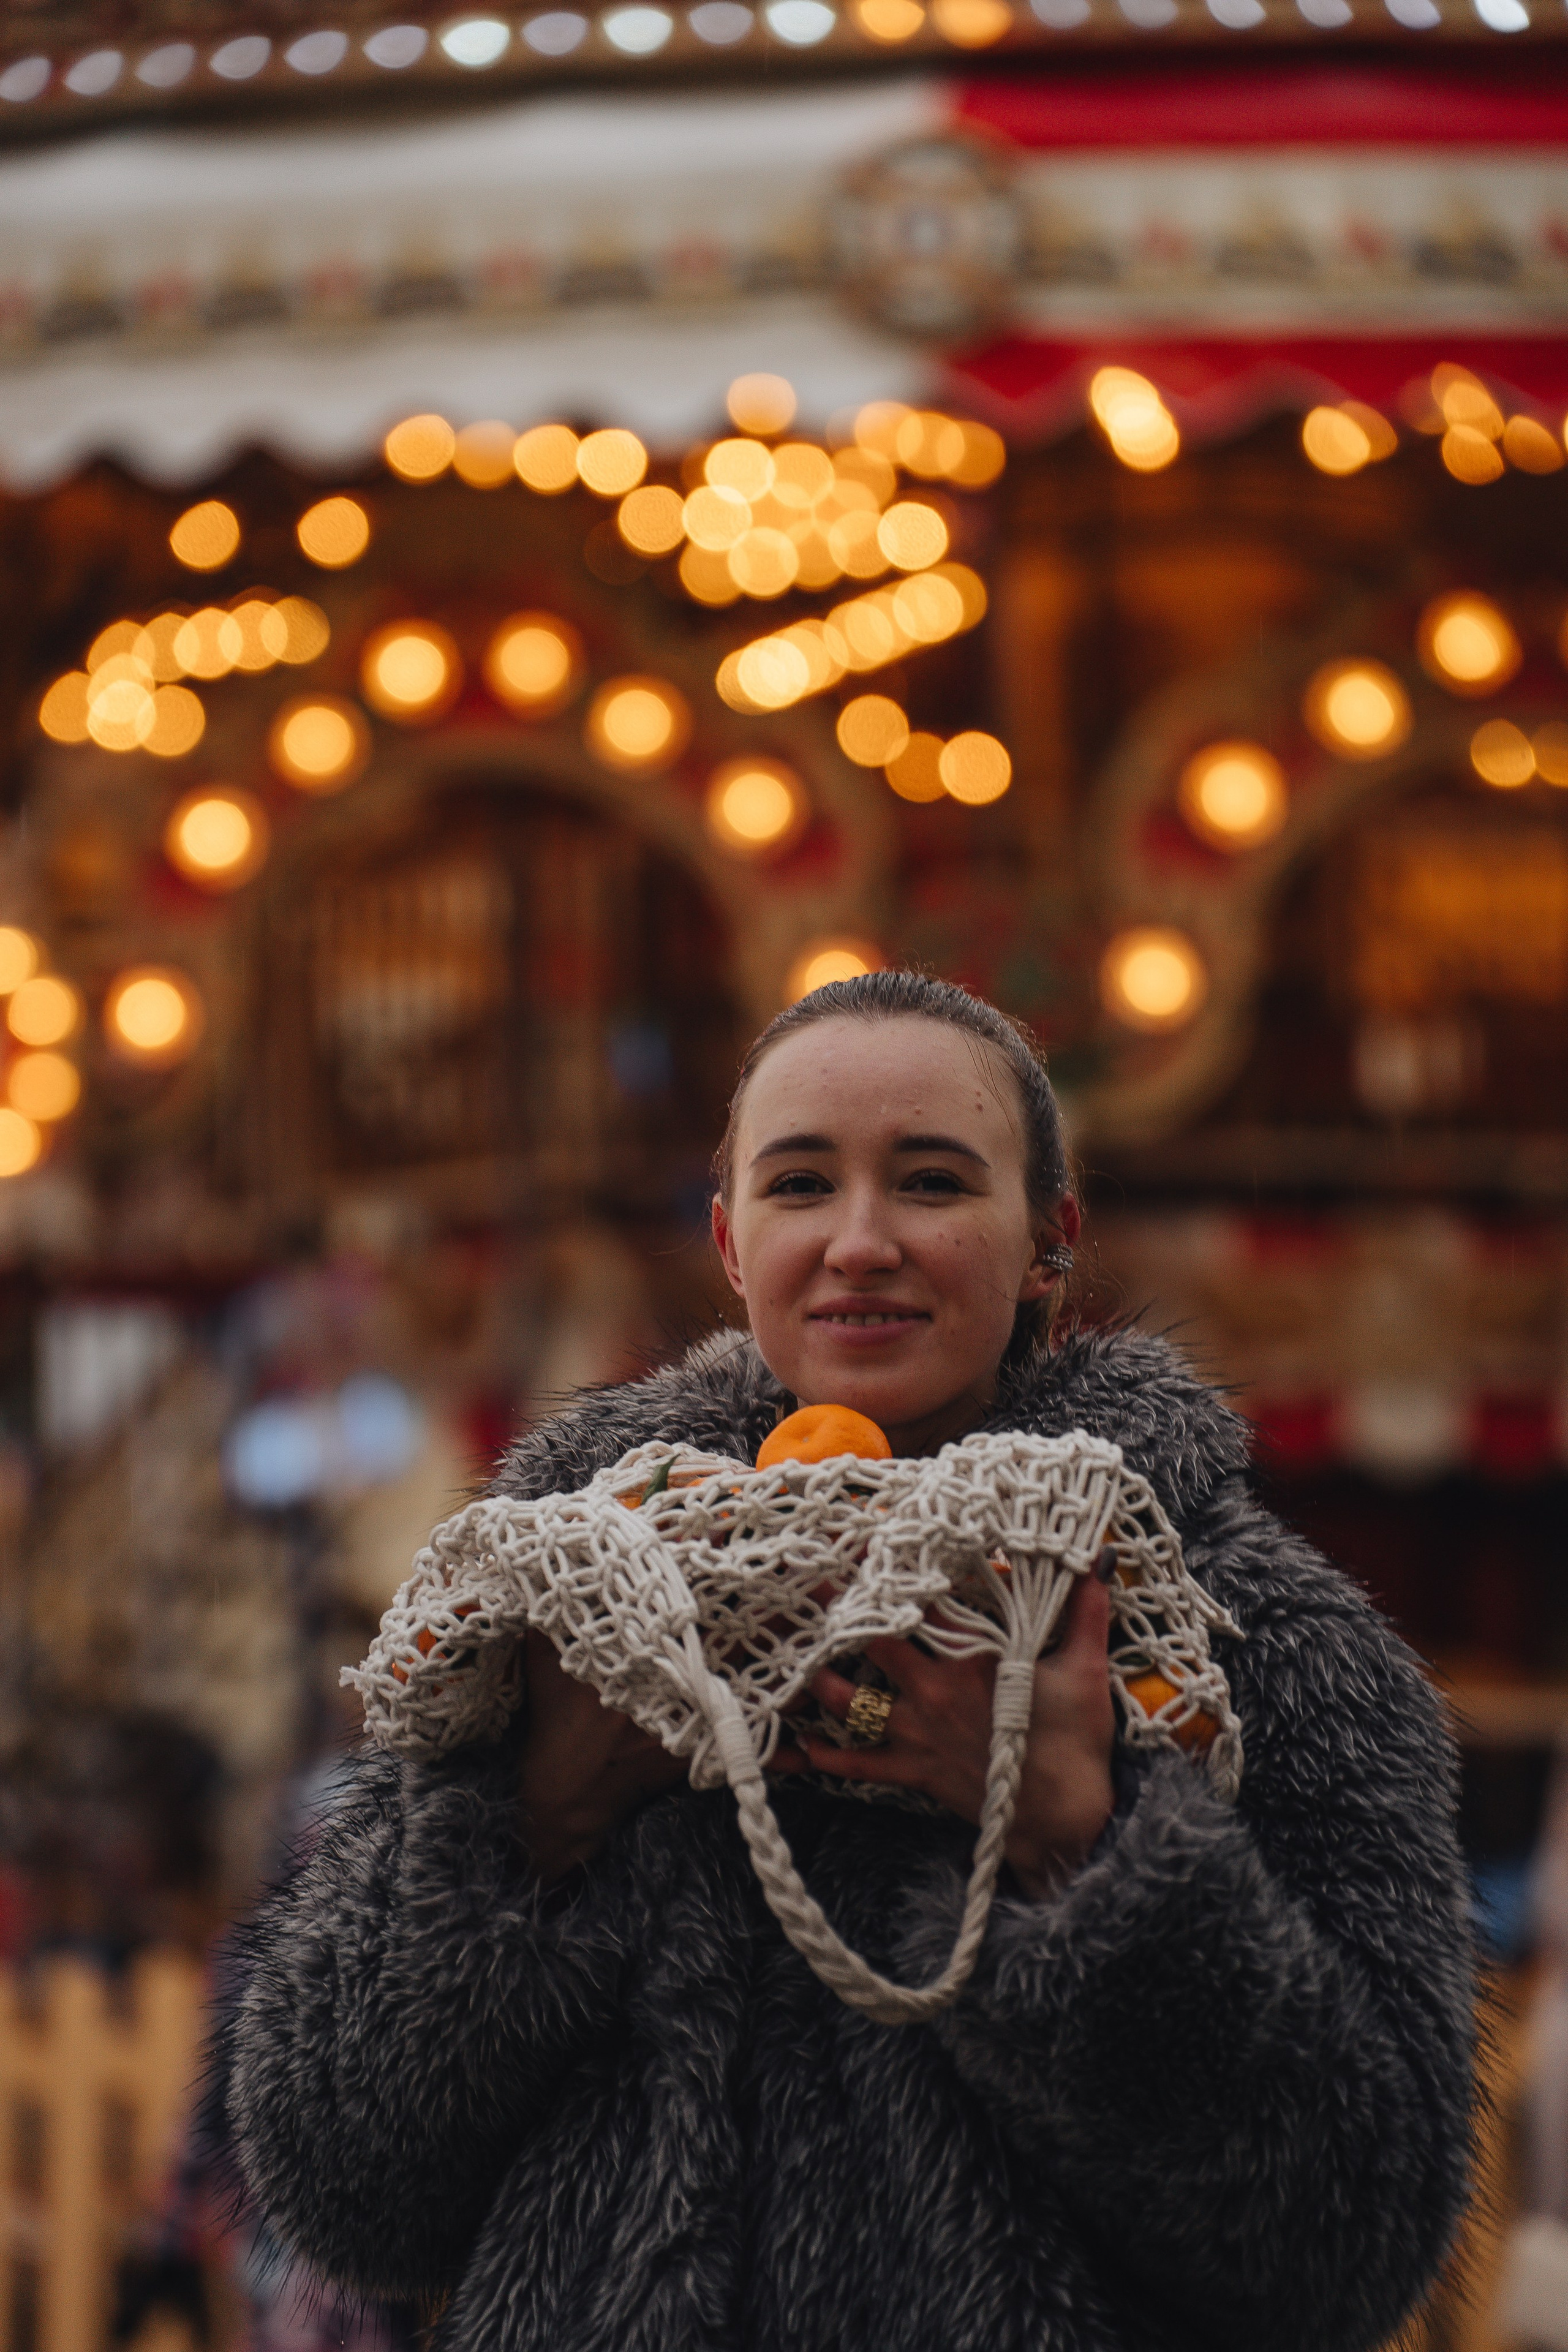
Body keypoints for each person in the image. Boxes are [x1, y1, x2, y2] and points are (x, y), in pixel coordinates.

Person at [220, 971, 1476, 2352]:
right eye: (800, 1185)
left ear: (1049, 1242)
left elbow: (1346, 2248)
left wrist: (1077, 1849)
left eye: (932, 1183)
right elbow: (340, 2195)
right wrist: (542, 1822)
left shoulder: (1257, 1642)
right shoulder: (558, 1610)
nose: (860, 1241)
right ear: (729, 1242)